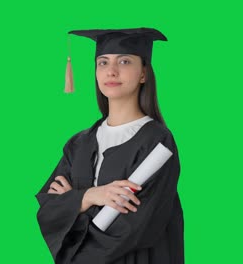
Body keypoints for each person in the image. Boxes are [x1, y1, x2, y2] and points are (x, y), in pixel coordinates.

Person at [35, 27, 184, 264]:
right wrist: (91, 196)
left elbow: (135, 229)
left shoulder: (157, 143)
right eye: (103, 63)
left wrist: (73, 203)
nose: (111, 71)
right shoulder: (78, 144)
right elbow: (48, 210)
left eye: (124, 61)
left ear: (144, 73)